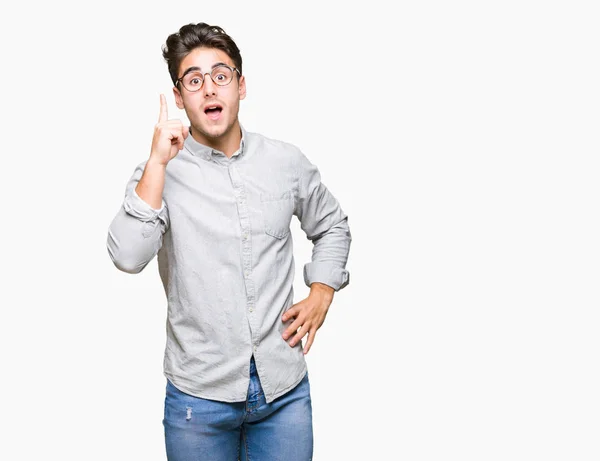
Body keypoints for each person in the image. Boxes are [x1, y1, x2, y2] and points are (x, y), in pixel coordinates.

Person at [106, 22, 351, 461]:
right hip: (198, 401)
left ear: (241, 84)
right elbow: (126, 256)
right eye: (194, 80)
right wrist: (157, 163)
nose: (209, 89)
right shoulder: (159, 173)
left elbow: (332, 224)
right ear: (179, 97)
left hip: (284, 393)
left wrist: (322, 291)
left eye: (221, 75)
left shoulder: (284, 161)